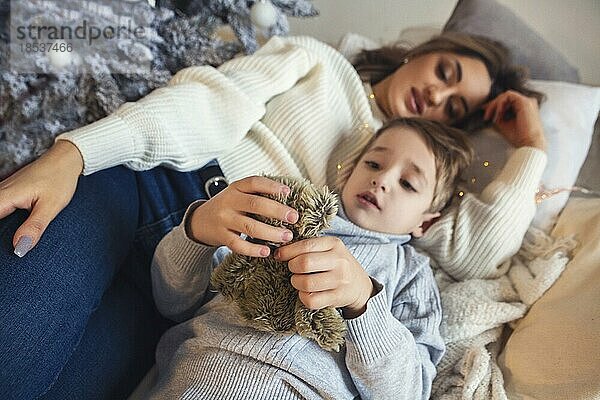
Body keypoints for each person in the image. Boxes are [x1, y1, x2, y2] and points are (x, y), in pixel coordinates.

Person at [0, 33, 547, 399]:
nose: (437, 92)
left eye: (455, 107)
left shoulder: (395, 214)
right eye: (445, 71)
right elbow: (206, 102)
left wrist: (530, 145)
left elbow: (484, 250)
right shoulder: (321, 66)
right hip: (153, 190)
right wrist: (75, 154)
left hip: (192, 284)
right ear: (418, 54)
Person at [148, 117, 473, 399]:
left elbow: (408, 392)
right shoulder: (281, 212)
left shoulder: (410, 273)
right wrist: (197, 229)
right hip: (200, 375)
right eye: (373, 164)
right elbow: (171, 302)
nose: (382, 180)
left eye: (407, 183)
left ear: (425, 222)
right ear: (348, 173)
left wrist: (363, 301)